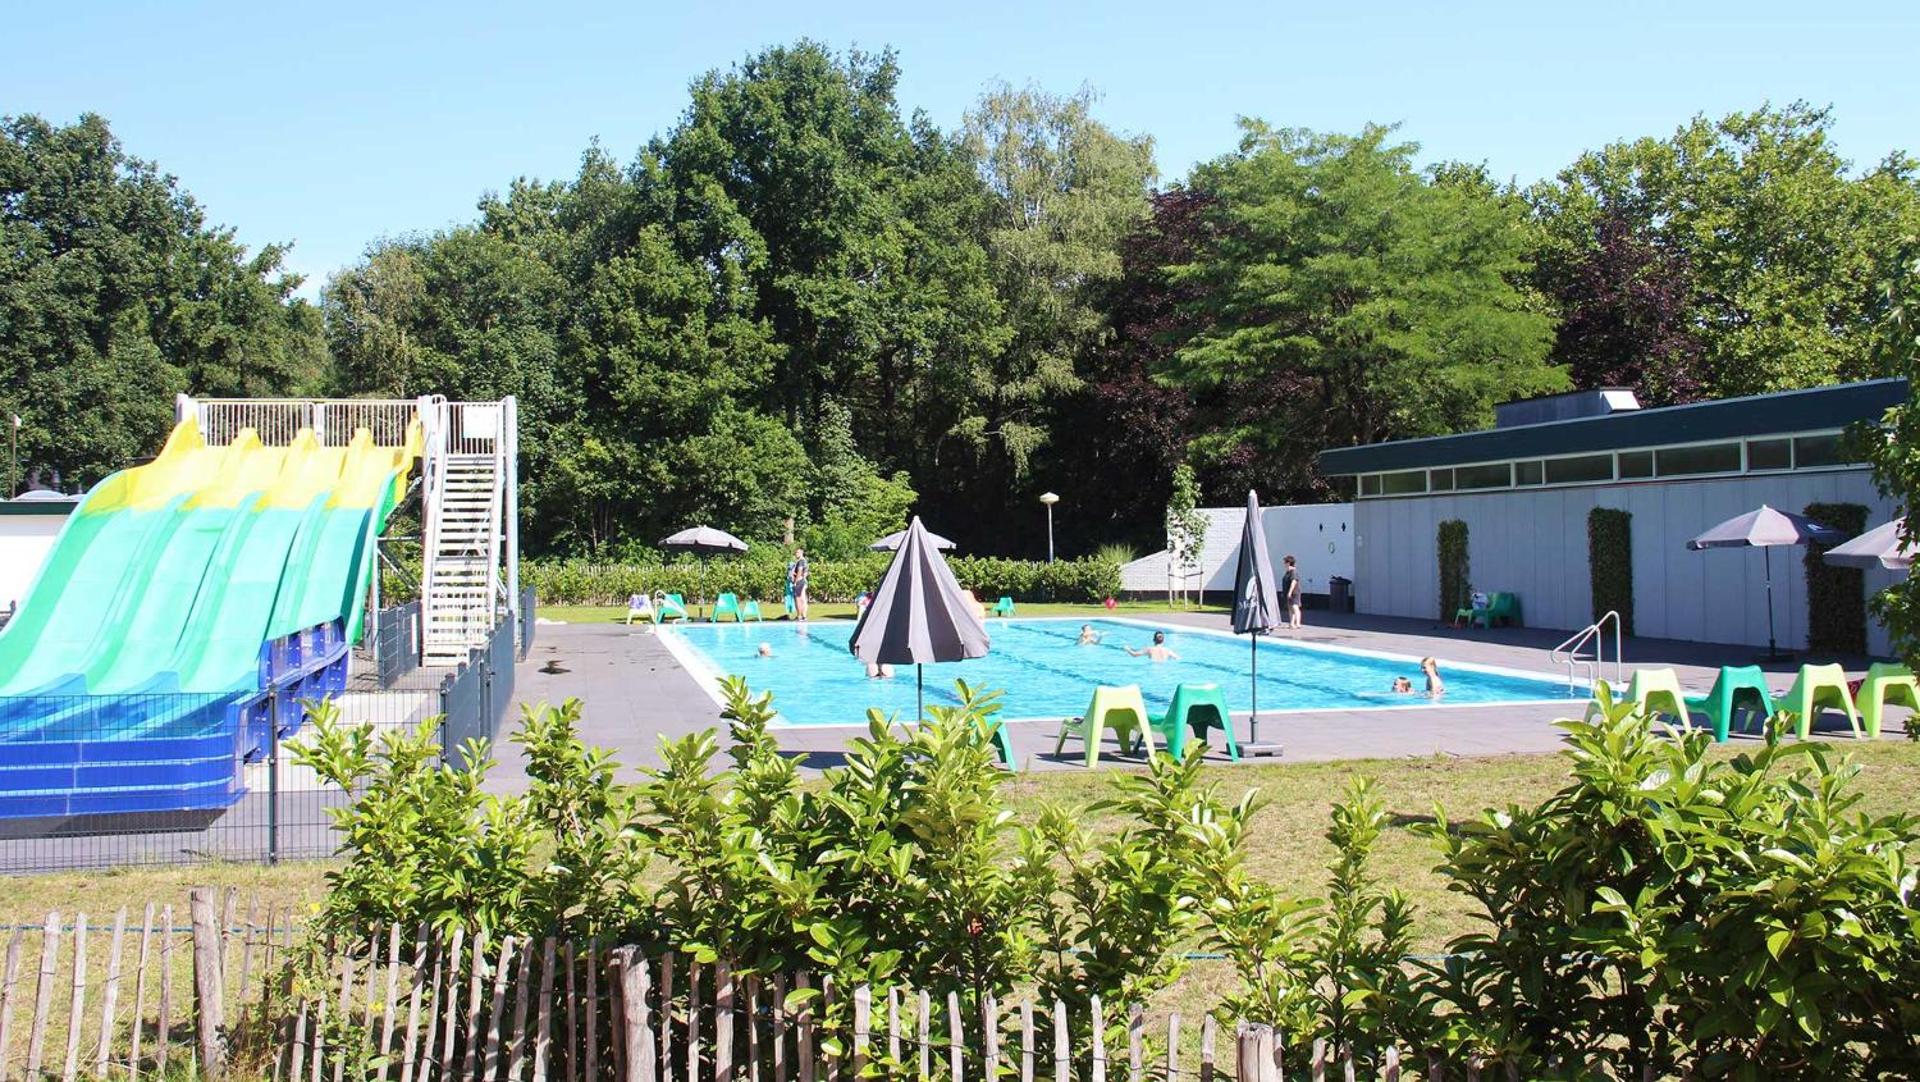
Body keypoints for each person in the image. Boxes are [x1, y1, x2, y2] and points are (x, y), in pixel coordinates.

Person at [787, 547, 810, 621]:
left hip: (799, 582)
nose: (796, 554)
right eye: (796, 553)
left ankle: (800, 616)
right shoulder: (803, 561)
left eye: (797, 553)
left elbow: (800, 572)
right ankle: (803, 615)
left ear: (801, 553)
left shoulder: (801, 561)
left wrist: (795, 582)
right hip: (802, 581)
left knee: (798, 599)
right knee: (802, 599)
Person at [1282, 555, 1303, 630]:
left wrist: (1290, 592)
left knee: (1295, 607)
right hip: (1288, 592)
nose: (1284, 564)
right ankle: (1291, 623)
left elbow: (1293, 582)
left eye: (1285, 562)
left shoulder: (1293, 572)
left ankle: (1298, 623)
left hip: (1294, 593)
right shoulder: (1288, 572)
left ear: (1288, 563)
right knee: (1290, 608)